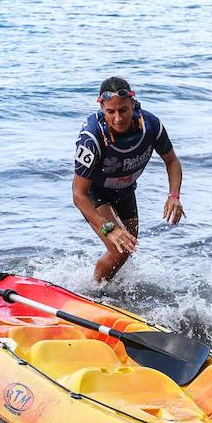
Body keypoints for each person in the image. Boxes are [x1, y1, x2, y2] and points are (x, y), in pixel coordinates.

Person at [72, 77, 184, 282]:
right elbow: (78, 194)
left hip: (125, 191)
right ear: (102, 108)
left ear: (132, 103)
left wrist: (174, 196)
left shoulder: (151, 125)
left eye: (123, 110)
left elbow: (172, 161)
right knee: (119, 250)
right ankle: (92, 292)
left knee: (128, 248)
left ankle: (114, 290)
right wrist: (108, 227)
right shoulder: (91, 138)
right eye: (110, 112)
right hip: (94, 194)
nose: (118, 118)